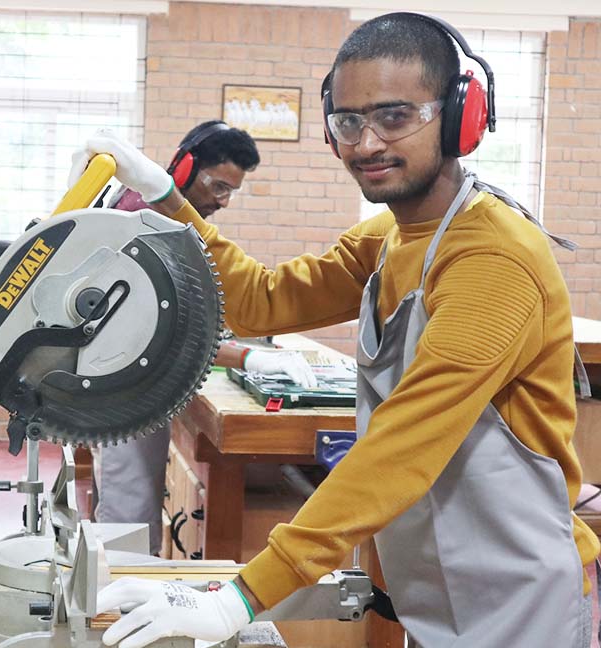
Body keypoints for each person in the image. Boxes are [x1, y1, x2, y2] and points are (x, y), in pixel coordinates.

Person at [73, 13, 600, 648]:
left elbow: (402, 444)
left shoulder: (492, 259)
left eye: (396, 116)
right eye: (349, 122)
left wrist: (244, 592)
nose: (367, 142)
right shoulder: (389, 237)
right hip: (432, 581)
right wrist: (164, 195)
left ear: (462, 116)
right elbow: (259, 298)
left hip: (517, 596)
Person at [69, 120, 317, 556]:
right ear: (183, 168)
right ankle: (115, 604)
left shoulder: (162, 216)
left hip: (134, 379)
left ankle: (119, 587)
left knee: (130, 501)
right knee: (130, 505)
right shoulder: (141, 218)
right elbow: (159, 331)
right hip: (126, 381)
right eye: (218, 185)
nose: (222, 200)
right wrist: (247, 358)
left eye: (231, 191)